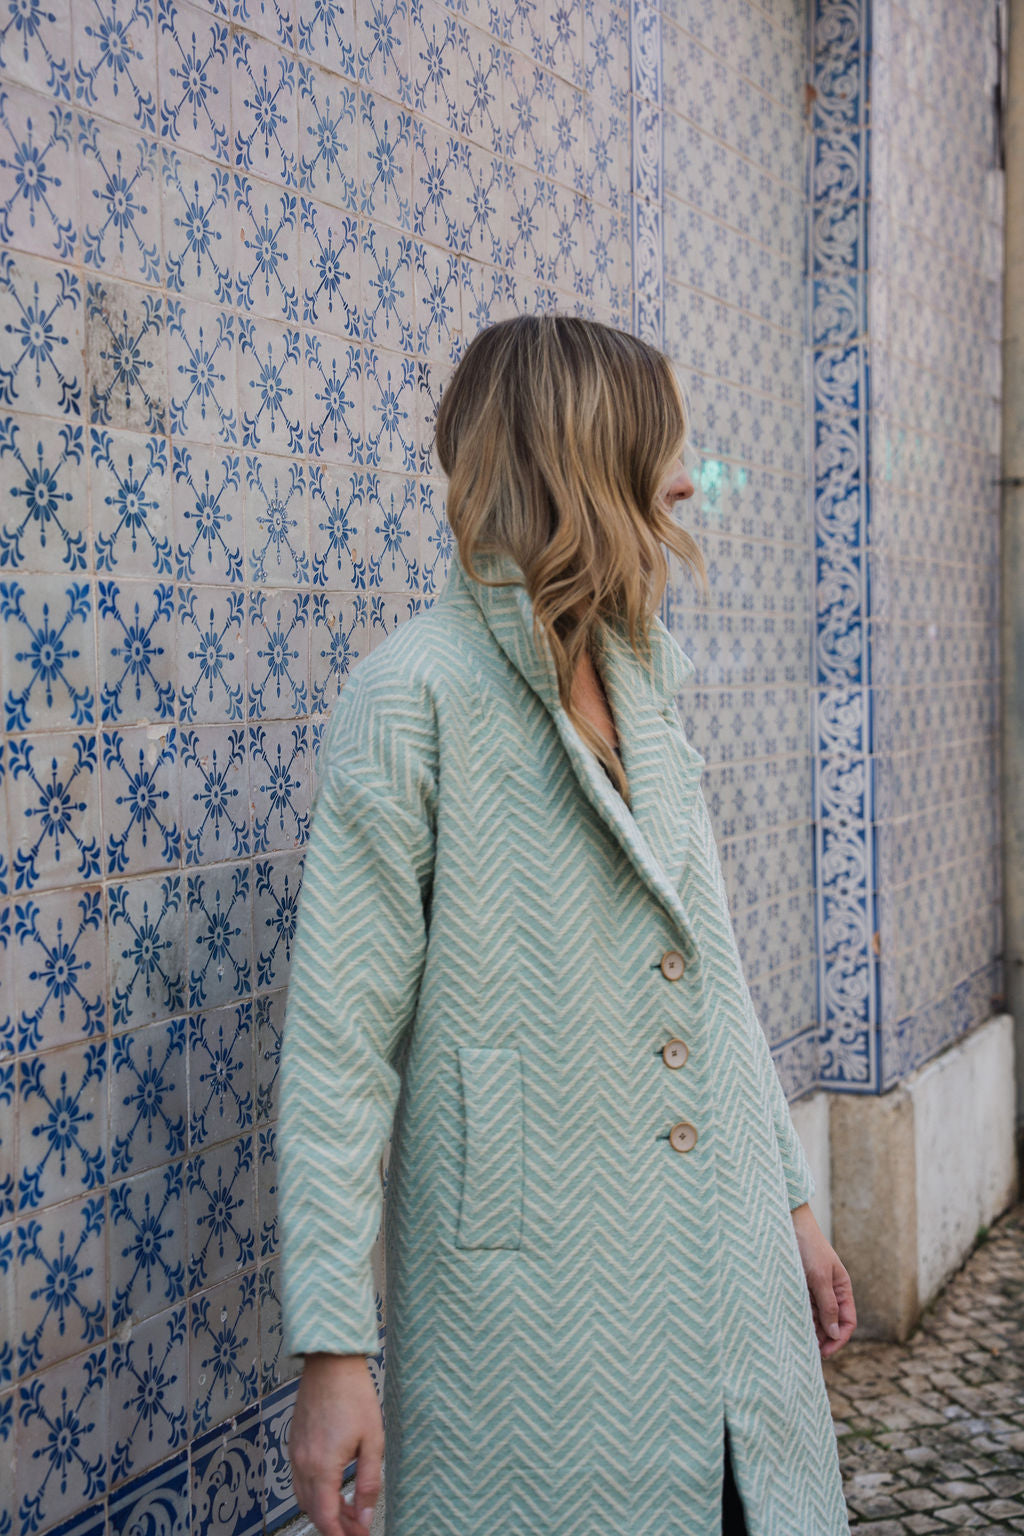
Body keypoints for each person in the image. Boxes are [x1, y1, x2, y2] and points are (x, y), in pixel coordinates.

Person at [278, 314, 856, 1536]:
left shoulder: (646, 675)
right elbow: (336, 1049)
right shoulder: (412, 695)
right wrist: (332, 1349)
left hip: (729, 1274)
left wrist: (791, 1210)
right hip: (535, 1313)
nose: (686, 480)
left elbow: (711, 974)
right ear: (582, 460)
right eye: (663, 445)